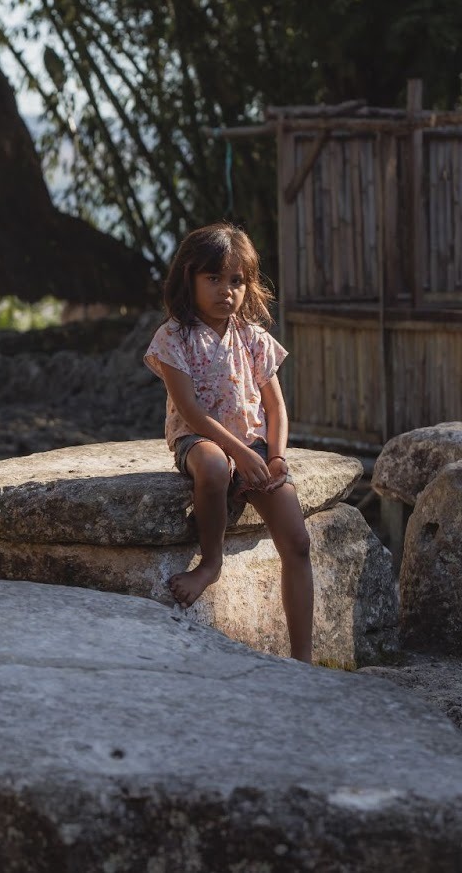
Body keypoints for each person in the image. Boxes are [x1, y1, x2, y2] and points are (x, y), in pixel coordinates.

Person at [143, 222, 313, 663]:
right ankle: (211, 563)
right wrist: (239, 453)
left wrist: (275, 457)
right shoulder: (173, 338)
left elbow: (276, 409)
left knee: (297, 542)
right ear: (189, 279)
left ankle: (303, 659)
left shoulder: (253, 339)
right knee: (216, 466)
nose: (226, 290)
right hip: (198, 440)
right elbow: (193, 411)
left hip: (253, 446)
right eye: (213, 278)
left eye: (236, 280)